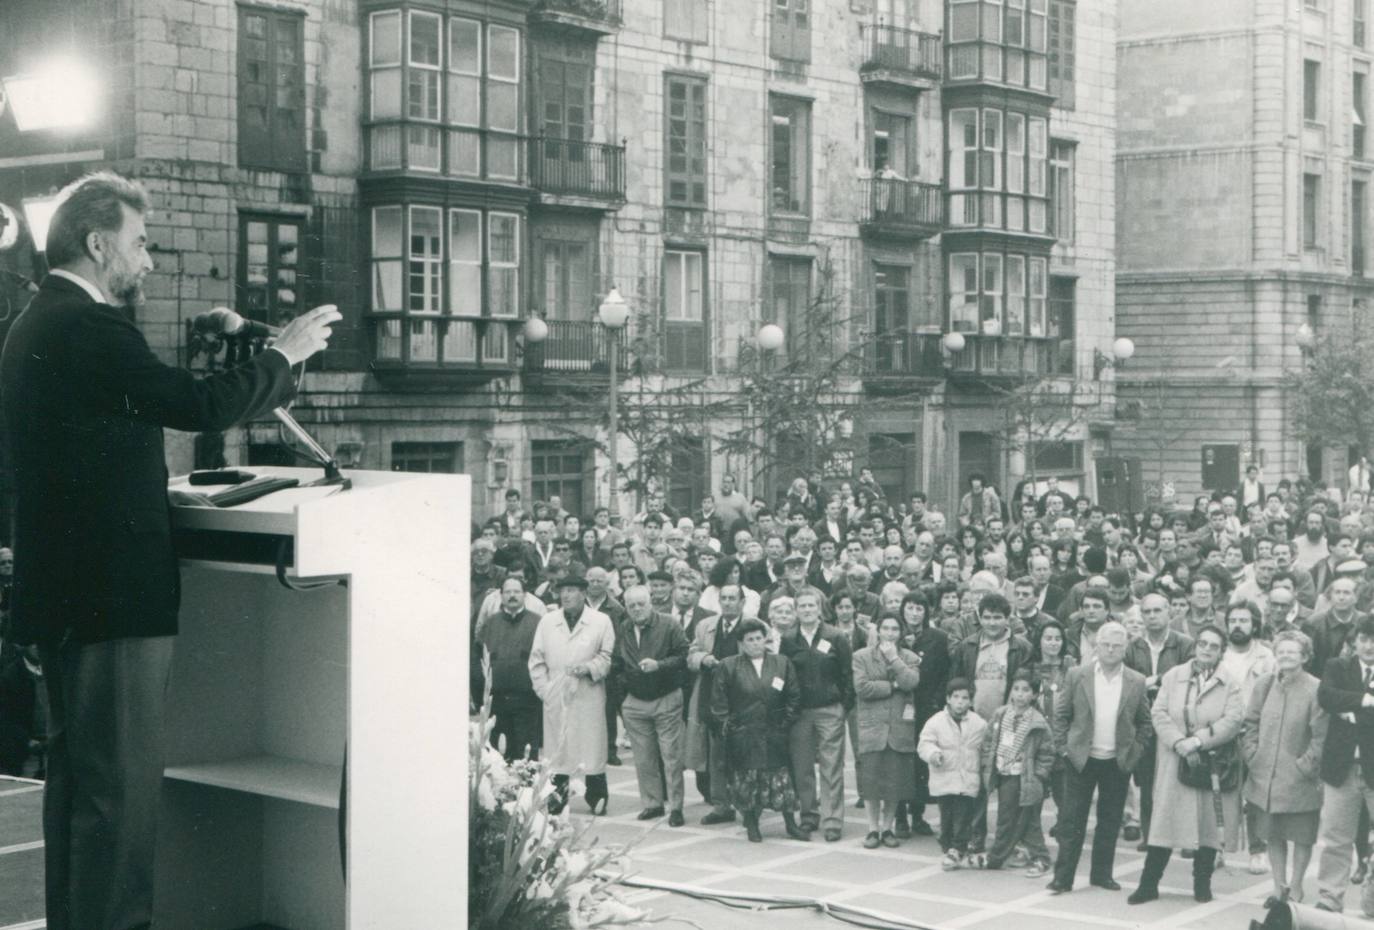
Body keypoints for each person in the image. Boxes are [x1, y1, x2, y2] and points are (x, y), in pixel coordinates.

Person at [0, 172, 337, 930]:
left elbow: (127, 416)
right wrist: (282, 355)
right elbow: (194, 405)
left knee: (80, 799)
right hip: (113, 600)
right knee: (121, 802)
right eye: (140, 243)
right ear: (97, 244)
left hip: (63, 597)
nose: (148, 261)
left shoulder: (35, 322)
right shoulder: (89, 328)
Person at [1129, 624, 1244, 905]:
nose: (1207, 650)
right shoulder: (1174, 676)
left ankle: (1201, 884)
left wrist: (1199, 741)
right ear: (1195, 646)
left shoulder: (1230, 682)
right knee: (1165, 822)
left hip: (1212, 761)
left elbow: (1233, 720)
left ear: (1221, 651)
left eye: (1214, 646)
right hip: (1175, 759)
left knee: (1207, 827)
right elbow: (1158, 712)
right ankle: (1148, 884)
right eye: (1203, 643)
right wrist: (1179, 742)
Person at [1047, 621, 1152, 895]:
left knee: (1110, 820)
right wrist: (1064, 748)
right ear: (1096, 646)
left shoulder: (1136, 681)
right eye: (1105, 644)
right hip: (1081, 759)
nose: (1110, 650)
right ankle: (1063, 878)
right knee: (1072, 820)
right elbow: (1061, 715)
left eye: (1117, 646)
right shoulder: (1076, 675)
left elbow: (1144, 722)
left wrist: (1134, 750)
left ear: (1125, 649)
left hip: (1116, 761)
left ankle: (1101, 875)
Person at [1242, 630, 1327, 907]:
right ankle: (1280, 888)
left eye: (1293, 651)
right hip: (1264, 776)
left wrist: (1305, 766)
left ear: (1304, 656)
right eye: (1282, 650)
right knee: (1273, 833)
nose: (1286, 655)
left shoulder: (1315, 688)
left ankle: (1298, 887)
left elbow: (1321, 735)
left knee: (1302, 836)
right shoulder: (1265, 684)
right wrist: (1252, 754)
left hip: (1299, 779)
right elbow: (1250, 722)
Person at [708, 618, 807, 842]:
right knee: (747, 782)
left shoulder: (781, 663)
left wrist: (785, 724)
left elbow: (794, 696)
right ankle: (752, 824)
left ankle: (791, 825)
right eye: (750, 640)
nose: (755, 643)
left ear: (766, 639)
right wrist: (731, 728)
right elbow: (718, 702)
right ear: (742, 643)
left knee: (782, 781)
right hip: (745, 735)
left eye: (759, 638)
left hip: (775, 732)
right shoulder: (729, 665)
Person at [528, 575, 617, 815]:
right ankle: (558, 798)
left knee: (592, 747)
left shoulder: (600, 621)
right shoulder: (548, 621)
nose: (566, 595)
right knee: (559, 749)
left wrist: (589, 668)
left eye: (571, 590)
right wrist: (545, 691)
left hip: (588, 692)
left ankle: (596, 797)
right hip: (556, 692)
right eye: (563, 591)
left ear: (583, 593)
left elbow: (607, 656)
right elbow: (536, 660)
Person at [780, 590, 854, 842]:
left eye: (812, 605)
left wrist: (843, 706)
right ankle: (809, 814)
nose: (807, 609)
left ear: (820, 609)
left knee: (831, 766)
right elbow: (785, 675)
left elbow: (847, 675)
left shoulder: (836, 636)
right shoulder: (789, 639)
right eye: (802, 606)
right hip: (800, 713)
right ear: (796, 610)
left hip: (829, 710)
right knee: (802, 767)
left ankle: (832, 820)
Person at [613, 585, 690, 826]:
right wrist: (624, 694)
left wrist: (660, 665)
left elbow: (683, 655)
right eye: (631, 605)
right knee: (643, 756)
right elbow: (617, 662)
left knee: (671, 755)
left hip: (665, 696)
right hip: (635, 700)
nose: (636, 609)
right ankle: (652, 803)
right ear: (626, 607)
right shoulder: (624, 628)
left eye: (641, 604)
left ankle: (676, 807)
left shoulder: (669, 624)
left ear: (651, 603)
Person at [1123, 593, 1194, 849]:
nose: (1152, 616)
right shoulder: (1132, 647)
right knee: (1148, 780)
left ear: (1168, 612)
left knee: (1182, 780)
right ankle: (1151, 835)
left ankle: (1187, 837)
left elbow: (1188, 678)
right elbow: (1128, 683)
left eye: (1157, 611)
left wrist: (1153, 681)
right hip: (1144, 722)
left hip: (1177, 723)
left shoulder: (1184, 644)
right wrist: (1151, 682)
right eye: (1147, 612)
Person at [1313, 615, 1374, 912]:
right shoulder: (1338, 667)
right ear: (1355, 641)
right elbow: (1326, 696)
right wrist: (1366, 701)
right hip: (1342, 768)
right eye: (1364, 639)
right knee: (1336, 838)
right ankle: (1329, 897)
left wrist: (1348, 710)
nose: (1370, 646)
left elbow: (1338, 702)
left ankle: (1372, 901)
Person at [852, 614, 922, 848]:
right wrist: (892, 685)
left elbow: (911, 682)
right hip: (872, 726)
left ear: (901, 633)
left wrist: (894, 659)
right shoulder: (861, 656)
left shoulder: (909, 657)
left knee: (893, 782)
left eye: (895, 629)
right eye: (886, 628)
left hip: (899, 726)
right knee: (871, 781)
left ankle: (887, 828)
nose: (890, 633)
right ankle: (872, 829)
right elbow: (862, 687)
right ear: (878, 631)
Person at [980, 670, 1055, 876]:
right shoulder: (1001, 714)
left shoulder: (1037, 722)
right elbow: (988, 741)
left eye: (1026, 690)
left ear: (1034, 695)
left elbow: (1047, 753)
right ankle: (1010, 854)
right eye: (1016, 689)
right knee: (1009, 817)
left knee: (1026, 820)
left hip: (1025, 777)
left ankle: (1006, 857)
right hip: (1005, 774)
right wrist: (988, 763)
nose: (1020, 694)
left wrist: (1038, 776)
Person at [686, 583, 747, 824]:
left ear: (742, 602)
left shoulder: (754, 626)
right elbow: (690, 655)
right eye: (724, 598)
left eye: (733, 598)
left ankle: (746, 805)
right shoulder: (705, 626)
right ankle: (721, 805)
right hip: (713, 698)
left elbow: (767, 655)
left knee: (743, 755)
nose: (728, 602)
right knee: (717, 755)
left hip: (744, 699)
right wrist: (705, 658)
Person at [919, 679, 988, 870]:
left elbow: (986, 746)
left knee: (963, 815)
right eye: (956, 697)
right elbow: (924, 743)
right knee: (946, 816)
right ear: (948, 699)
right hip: (944, 779)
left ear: (971, 701)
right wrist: (933, 754)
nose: (960, 702)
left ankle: (958, 848)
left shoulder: (978, 724)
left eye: (965, 698)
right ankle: (949, 845)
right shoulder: (935, 722)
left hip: (967, 780)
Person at [479, 577, 545, 762]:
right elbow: (481, 654)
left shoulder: (538, 623)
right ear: (501, 596)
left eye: (516, 592)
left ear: (525, 595)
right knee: (497, 757)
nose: (512, 596)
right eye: (507, 592)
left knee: (525, 755)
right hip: (497, 700)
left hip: (527, 699)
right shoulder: (491, 623)